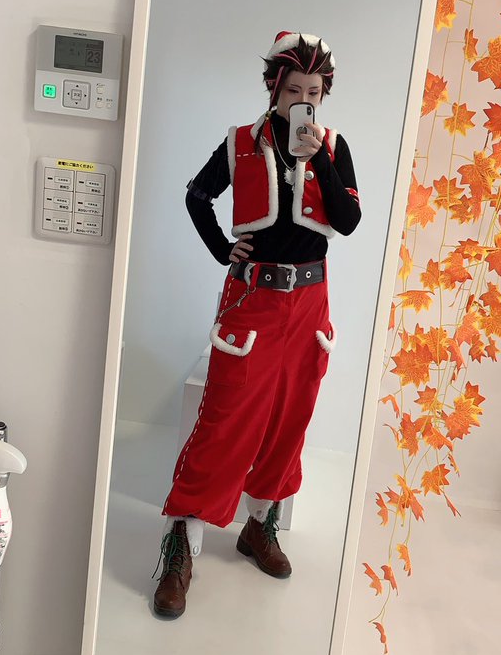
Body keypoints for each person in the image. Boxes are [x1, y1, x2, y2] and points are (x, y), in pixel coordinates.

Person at [152, 32, 361, 618]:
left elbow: (347, 221)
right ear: (274, 88)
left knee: (290, 417)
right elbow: (197, 196)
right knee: (225, 420)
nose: (303, 101)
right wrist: (224, 249)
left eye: (313, 92)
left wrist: (319, 157)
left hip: (311, 303)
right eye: (294, 90)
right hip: (253, 300)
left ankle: (258, 525)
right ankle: (180, 543)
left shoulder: (334, 147)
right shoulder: (240, 144)